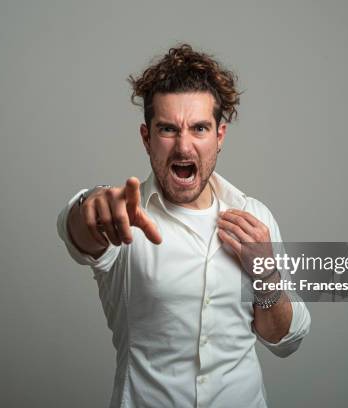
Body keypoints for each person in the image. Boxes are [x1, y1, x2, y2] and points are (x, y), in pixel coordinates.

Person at [57, 43, 311, 408]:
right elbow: (78, 231)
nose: (183, 146)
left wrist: (267, 275)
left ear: (219, 136)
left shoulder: (254, 217)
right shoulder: (123, 218)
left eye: (199, 128)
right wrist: (88, 204)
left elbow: (286, 340)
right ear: (147, 138)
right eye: (168, 129)